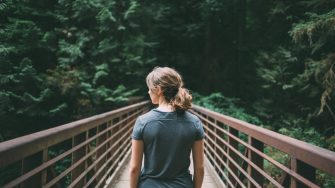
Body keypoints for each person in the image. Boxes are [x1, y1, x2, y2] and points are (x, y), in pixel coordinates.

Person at [129, 67, 205, 188]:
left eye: (149, 89)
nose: (148, 92)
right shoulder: (194, 122)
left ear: (158, 90)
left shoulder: (143, 122)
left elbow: (134, 168)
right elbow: (200, 168)